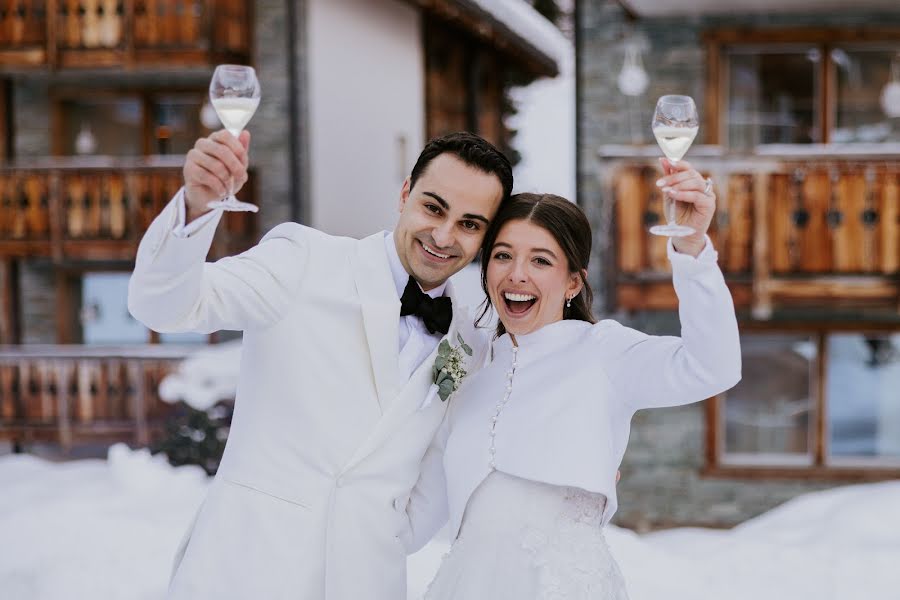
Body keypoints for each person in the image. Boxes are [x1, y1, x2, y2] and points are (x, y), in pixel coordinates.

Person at [127, 130, 512, 599]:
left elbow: (434, 481)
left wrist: (380, 538)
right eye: (434, 208)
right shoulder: (302, 261)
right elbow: (164, 306)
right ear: (405, 193)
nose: (444, 235)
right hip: (242, 573)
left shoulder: (470, 342)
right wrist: (196, 206)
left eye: (470, 224)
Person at [401, 160, 742, 599]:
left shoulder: (604, 353)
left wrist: (693, 249)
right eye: (503, 255)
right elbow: (413, 519)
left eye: (540, 260)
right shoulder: (470, 368)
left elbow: (713, 367)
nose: (516, 274)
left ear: (572, 285)